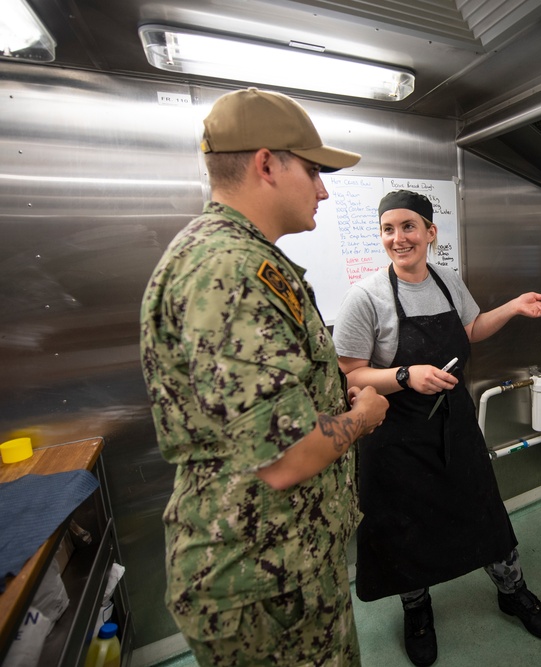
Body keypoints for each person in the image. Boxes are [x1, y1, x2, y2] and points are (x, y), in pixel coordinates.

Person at [139, 88, 389, 667]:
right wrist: (362, 415)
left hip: (284, 562)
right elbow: (286, 458)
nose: (324, 189)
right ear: (266, 163)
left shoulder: (232, 258)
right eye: (314, 170)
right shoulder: (230, 271)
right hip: (262, 580)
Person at [334, 190, 541, 666]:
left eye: (409, 226)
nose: (399, 238)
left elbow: (472, 328)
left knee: (485, 512)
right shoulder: (366, 297)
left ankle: (512, 590)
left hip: (454, 427)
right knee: (404, 529)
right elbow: (351, 372)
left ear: (431, 232)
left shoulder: (448, 280)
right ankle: (417, 611)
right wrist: (403, 376)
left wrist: (514, 306)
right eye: (388, 229)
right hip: (395, 436)